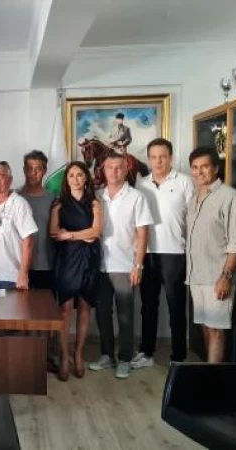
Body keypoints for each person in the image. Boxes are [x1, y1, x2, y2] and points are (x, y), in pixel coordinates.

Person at [89, 154, 153, 380]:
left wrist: (138, 265)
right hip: (100, 266)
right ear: (103, 171)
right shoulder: (97, 196)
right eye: (110, 168)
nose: (114, 172)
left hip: (126, 265)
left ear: (126, 170)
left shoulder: (137, 197)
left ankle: (125, 358)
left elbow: (143, 233)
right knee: (102, 313)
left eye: (119, 168)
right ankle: (107, 355)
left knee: (126, 315)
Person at [133, 138, 194, 369]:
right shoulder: (141, 184)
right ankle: (146, 352)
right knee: (148, 306)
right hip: (148, 253)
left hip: (175, 253)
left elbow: (193, 218)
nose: (158, 161)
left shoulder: (185, 182)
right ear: (148, 159)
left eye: (163, 156)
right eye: (154, 157)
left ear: (171, 158)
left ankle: (178, 356)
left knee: (176, 305)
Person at [186, 148, 236, 363]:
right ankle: (209, 373)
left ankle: (213, 379)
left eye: (204, 167)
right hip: (196, 275)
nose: (199, 172)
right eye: (195, 167)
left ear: (216, 168)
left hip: (217, 276)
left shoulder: (230, 197)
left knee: (216, 330)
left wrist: (226, 276)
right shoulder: (194, 198)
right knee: (205, 326)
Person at [49, 161, 101, 381]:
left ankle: (78, 354)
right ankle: (64, 355)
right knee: (65, 308)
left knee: (85, 307)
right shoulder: (59, 204)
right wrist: (82, 235)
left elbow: (96, 232)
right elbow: (54, 233)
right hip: (67, 259)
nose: (76, 179)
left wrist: (69, 235)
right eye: (71, 175)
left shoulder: (94, 202)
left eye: (80, 175)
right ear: (66, 179)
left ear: (86, 178)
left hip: (89, 259)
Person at [0, 161, 37, 289]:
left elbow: (29, 241)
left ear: (10, 180)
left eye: (2, 176)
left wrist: (23, 274)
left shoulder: (19, 204)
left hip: (9, 279)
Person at [18, 150, 56, 290]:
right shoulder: (15, 198)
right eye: (29, 169)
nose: (33, 173)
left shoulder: (53, 199)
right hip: (18, 266)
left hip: (46, 265)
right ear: (24, 170)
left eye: (38, 169)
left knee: (45, 305)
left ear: (44, 171)